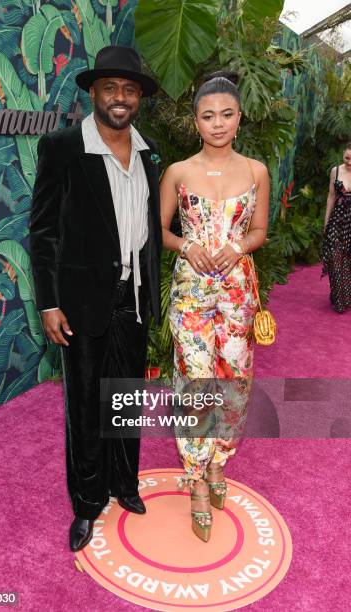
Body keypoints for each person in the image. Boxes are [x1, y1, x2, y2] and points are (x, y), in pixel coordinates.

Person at [29, 46, 162, 551]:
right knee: (86, 406)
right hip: (80, 302)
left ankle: (124, 485)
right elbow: (42, 234)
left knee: (125, 399)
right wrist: (48, 302)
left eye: (130, 89)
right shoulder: (63, 148)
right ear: (93, 93)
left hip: (133, 297)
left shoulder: (148, 155)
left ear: (139, 99)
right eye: (111, 88)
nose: (121, 97)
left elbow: (148, 229)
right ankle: (87, 505)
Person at [160, 70, 269, 542]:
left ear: (239, 119)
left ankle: (219, 460)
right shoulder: (178, 172)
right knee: (194, 381)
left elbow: (261, 231)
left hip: (238, 294)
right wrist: (186, 246)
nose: (218, 123)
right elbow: (160, 232)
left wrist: (240, 245)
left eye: (226, 114)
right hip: (190, 295)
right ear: (196, 121)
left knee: (234, 381)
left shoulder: (257, 171)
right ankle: (196, 479)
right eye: (208, 116)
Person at [321, 143, 351, 313]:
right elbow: (331, 196)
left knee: (348, 259)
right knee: (334, 257)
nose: (349, 162)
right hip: (337, 219)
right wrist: (326, 222)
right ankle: (339, 298)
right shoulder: (336, 171)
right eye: (347, 158)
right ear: (343, 156)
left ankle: (346, 294)